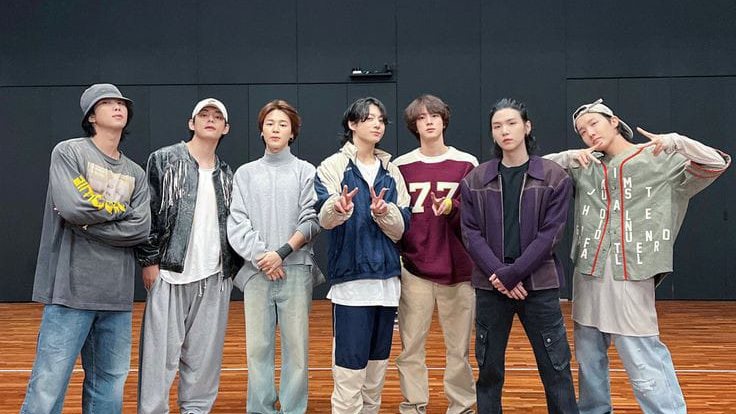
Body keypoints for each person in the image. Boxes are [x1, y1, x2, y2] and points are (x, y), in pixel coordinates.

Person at [545, 98, 731, 414]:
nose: (589, 133)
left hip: (632, 270)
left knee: (640, 353)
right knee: (588, 357)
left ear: (614, 121)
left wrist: (676, 141)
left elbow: (715, 163)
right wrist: (568, 156)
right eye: (582, 131)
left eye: (593, 123)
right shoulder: (585, 166)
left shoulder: (658, 158)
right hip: (588, 270)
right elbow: (536, 168)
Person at [21, 83, 151, 414]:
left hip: (116, 298)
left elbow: (140, 227)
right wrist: (118, 213)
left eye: (121, 103)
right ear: (91, 116)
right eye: (107, 103)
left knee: (109, 385)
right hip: (69, 293)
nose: (118, 107)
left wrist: (89, 224)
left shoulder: (135, 173)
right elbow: (72, 207)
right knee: (49, 384)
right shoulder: (69, 153)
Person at [460, 98, 578, 413]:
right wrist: (500, 275)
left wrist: (512, 274)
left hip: (538, 286)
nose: (505, 131)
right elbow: (470, 234)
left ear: (526, 127)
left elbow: (550, 235)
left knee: (556, 368)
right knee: (488, 370)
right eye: (497, 126)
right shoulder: (475, 180)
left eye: (511, 123)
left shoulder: (554, 176)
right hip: (491, 287)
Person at [136, 98, 240, 413]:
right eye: (203, 115)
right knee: (158, 359)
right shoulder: (164, 159)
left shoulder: (227, 175)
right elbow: (147, 212)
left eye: (217, 116)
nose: (210, 119)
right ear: (191, 123)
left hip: (214, 277)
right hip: (170, 272)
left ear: (225, 128)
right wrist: (149, 261)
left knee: (204, 360)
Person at [314, 97, 411, 414]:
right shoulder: (331, 167)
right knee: (349, 372)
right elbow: (324, 219)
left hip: (387, 285)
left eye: (381, 120)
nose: (377, 125)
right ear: (352, 124)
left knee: (375, 374)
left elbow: (402, 229)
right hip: (351, 286)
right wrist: (338, 207)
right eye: (369, 118)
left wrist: (384, 212)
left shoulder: (392, 172)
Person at [227, 99, 323, 414]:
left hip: (295, 270)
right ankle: (261, 409)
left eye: (283, 124)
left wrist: (281, 254)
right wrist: (263, 257)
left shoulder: (306, 171)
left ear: (292, 132)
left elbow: (312, 220)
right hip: (257, 272)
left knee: (297, 349)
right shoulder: (245, 174)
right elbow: (237, 222)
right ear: (261, 130)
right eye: (270, 123)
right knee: (257, 348)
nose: (276, 129)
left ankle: (294, 409)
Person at [393, 94, 478, 414]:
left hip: (458, 269)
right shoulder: (400, 166)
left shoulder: (466, 163)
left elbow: (477, 215)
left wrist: (453, 207)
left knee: (459, 348)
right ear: (414, 125)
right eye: (421, 118)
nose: (428, 122)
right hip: (414, 267)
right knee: (411, 347)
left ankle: (462, 405)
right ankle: (414, 404)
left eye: (434, 116)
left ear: (444, 120)